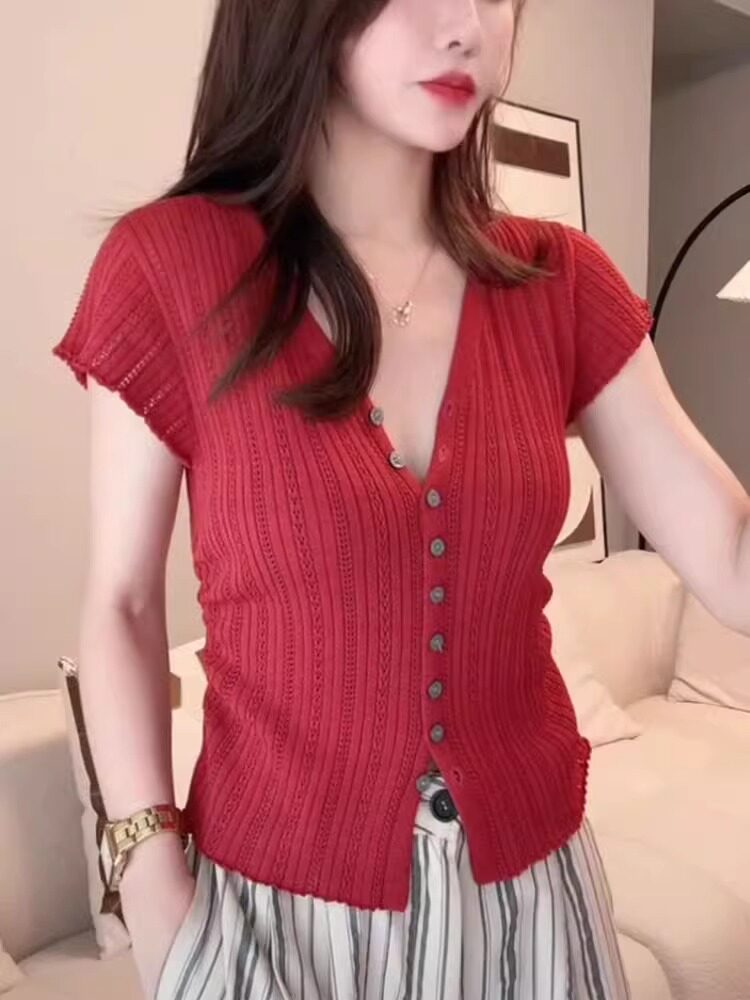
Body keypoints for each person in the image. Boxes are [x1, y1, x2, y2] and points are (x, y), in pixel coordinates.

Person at [51, 0, 750, 998]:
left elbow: (729, 551)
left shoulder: (559, 282)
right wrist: (155, 891)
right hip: (275, 912)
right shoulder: (170, 265)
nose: (468, 26)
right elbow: (122, 602)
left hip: (533, 901)